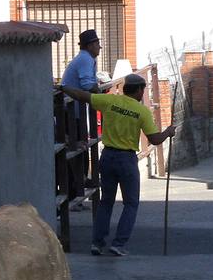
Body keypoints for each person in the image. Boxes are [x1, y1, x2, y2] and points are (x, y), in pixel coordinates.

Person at [59, 76, 176, 256]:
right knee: (131, 203)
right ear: (138, 90)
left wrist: (64, 87)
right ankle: (118, 244)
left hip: (107, 156)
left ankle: (97, 243)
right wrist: (168, 132)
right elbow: (154, 139)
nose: (142, 93)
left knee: (106, 202)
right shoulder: (142, 111)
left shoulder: (109, 101)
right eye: (142, 90)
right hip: (127, 160)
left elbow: (82, 96)